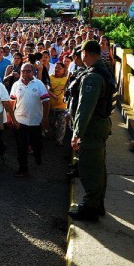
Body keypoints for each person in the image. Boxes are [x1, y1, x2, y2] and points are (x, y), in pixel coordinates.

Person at [69, 40, 113, 222]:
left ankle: (90, 208)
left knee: (90, 170)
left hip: (91, 130)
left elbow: (85, 109)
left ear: (85, 53)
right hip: (99, 127)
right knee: (98, 167)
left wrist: (77, 133)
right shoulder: (102, 69)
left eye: (80, 52)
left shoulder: (92, 77)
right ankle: (97, 204)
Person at [10, 63, 50, 178]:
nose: (25, 73)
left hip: (35, 121)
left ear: (33, 72)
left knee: (36, 144)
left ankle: (37, 154)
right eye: (23, 71)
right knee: (21, 147)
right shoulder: (16, 85)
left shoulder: (39, 84)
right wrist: (11, 119)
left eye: (28, 71)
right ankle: (23, 169)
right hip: (20, 121)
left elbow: (46, 102)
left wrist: (45, 118)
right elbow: (12, 102)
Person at [48, 62, 68, 146]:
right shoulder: (50, 78)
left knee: (61, 122)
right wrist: (52, 94)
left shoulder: (67, 79)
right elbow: (46, 89)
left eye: (59, 68)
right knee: (51, 122)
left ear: (64, 70)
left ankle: (59, 140)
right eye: (56, 68)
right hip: (51, 106)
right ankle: (56, 133)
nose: (57, 69)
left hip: (63, 106)